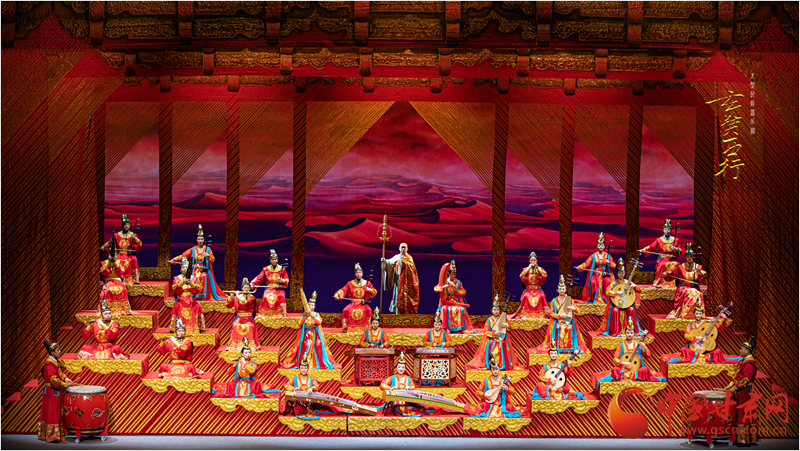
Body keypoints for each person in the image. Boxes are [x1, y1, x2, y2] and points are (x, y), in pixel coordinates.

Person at [590, 319, 666, 392]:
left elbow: (647, 356)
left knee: (645, 370)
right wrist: (624, 363)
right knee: (615, 370)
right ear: (625, 333)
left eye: (631, 332)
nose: (629, 334)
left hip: (636, 369)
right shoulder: (621, 345)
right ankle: (633, 377)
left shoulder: (638, 344)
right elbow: (615, 359)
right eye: (628, 332)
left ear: (634, 333)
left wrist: (645, 348)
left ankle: (628, 377)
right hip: (624, 369)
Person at [661, 301, 740, 365]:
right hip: (694, 346)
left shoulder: (705, 324)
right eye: (697, 313)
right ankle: (703, 358)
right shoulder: (691, 325)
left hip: (705, 346)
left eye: (700, 314)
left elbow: (719, 327)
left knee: (717, 351)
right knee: (685, 350)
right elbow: (686, 336)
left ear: (702, 314)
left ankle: (701, 357)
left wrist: (725, 319)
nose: (698, 315)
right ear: (694, 314)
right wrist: (696, 338)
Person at [169, 224, 225, 301]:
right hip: (194, 268)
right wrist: (174, 260)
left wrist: (208, 256)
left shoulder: (208, 249)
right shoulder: (193, 249)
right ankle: (193, 295)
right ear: (196, 240)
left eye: (201, 239)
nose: (200, 241)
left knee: (204, 276)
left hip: (203, 269)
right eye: (199, 239)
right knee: (193, 276)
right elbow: (183, 255)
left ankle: (203, 296)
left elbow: (213, 259)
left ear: (204, 240)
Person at [282, 292, 336, 369]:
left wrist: (312, 316)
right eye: (309, 305)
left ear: (314, 307)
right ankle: (306, 363)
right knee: (306, 344)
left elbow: (319, 322)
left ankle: (318, 363)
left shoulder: (316, 314)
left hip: (315, 336)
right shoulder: (303, 315)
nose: (310, 306)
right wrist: (304, 317)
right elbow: (299, 324)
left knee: (318, 344)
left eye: (312, 305)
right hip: (306, 335)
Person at [720, 337, 758, 445]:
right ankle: (738, 438)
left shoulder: (749, 364)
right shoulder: (744, 361)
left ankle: (744, 439)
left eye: (741, 349)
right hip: (740, 390)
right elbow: (737, 376)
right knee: (739, 413)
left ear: (747, 351)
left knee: (743, 413)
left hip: (744, 392)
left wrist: (734, 388)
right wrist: (729, 385)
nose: (740, 350)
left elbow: (745, 380)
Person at [467, 295, 521, 370]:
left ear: (500, 311)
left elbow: (513, 327)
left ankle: (502, 365)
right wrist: (494, 334)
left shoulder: (502, 318)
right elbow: (486, 332)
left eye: (498, 309)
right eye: (494, 309)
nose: (496, 311)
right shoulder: (489, 320)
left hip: (501, 337)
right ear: (492, 311)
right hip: (492, 338)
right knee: (491, 343)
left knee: (502, 343)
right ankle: (491, 364)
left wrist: (507, 325)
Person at [537, 276, 588, 355]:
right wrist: (560, 316)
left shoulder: (569, 299)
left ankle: (570, 348)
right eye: (560, 289)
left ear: (566, 290)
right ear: (557, 290)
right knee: (559, 327)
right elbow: (551, 313)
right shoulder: (554, 301)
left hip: (567, 320)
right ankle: (557, 348)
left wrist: (573, 308)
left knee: (569, 327)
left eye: (563, 289)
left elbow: (578, 310)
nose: (562, 290)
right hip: (557, 320)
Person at [38, 339, 73, 443]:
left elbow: (60, 374)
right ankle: (52, 436)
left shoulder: (55, 362)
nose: (60, 351)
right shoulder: (49, 364)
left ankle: (57, 434)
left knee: (57, 411)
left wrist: (66, 379)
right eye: (58, 350)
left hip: (56, 390)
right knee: (53, 412)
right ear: (52, 352)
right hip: (52, 391)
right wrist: (64, 384)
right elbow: (53, 380)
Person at [598, 258, 644, 337]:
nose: (621, 274)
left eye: (622, 273)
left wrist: (634, 286)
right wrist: (616, 293)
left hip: (627, 303)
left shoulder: (627, 282)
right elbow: (607, 292)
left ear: (624, 273)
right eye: (619, 273)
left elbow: (639, 290)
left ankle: (632, 331)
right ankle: (616, 332)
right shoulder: (614, 283)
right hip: (617, 304)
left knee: (631, 309)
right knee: (615, 310)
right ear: (617, 273)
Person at [380, 351, 429, 417]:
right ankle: (403, 413)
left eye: (403, 367)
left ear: (405, 369)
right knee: (400, 405)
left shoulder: (408, 378)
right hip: (396, 398)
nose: (401, 369)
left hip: (406, 397)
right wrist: (390, 388)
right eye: (399, 367)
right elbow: (382, 384)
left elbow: (413, 386)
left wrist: (409, 388)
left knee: (415, 405)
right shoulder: (392, 378)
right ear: (396, 368)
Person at [667, 243, 707, 319]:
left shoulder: (698, 267)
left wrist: (699, 272)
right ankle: (680, 313)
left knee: (696, 293)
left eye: (691, 257)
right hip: (683, 286)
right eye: (688, 257)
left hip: (693, 286)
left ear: (693, 257)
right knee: (685, 292)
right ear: (685, 257)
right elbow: (672, 274)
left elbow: (703, 276)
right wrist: (666, 274)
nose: (689, 258)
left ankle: (697, 313)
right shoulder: (680, 267)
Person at [433, 260, 475, 333]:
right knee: (445, 309)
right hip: (447, 301)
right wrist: (444, 286)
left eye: (454, 274)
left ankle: (460, 329)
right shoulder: (445, 281)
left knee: (461, 309)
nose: (453, 276)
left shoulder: (458, 282)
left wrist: (456, 290)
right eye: (452, 274)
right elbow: (435, 289)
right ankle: (445, 328)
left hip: (455, 301)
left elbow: (464, 292)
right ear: (449, 273)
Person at [335, 263, 377, 333]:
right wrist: (337, 294)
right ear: (354, 274)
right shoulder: (350, 283)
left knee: (368, 310)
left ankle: (368, 328)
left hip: (363, 303)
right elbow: (343, 290)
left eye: (360, 272)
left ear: (362, 273)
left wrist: (369, 290)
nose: (358, 274)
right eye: (357, 273)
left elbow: (374, 291)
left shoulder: (367, 283)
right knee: (345, 310)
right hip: (353, 303)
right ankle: (346, 328)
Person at [640, 218, 682, 288]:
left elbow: (679, 251)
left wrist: (676, 249)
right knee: (662, 265)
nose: (667, 231)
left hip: (671, 259)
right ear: (663, 230)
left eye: (668, 229)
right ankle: (660, 283)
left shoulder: (675, 240)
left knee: (676, 264)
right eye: (665, 229)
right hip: (662, 258)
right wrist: (644, 250)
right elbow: (651, 246)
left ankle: (672, 284)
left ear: (670, 230)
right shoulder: (659, 240)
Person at [576, 232, 616, 304]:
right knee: (593, 282)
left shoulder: (608, 256)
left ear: (604, 246)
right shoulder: (594, 256)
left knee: (608, 281)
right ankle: (594, 298)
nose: (600, 246)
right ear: (597, 246)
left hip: (604, 274)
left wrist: (609, 262)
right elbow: (586, 263)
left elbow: (614, 265)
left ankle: (606, 299)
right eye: (599, 245)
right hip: (595, 274)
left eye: (602, 245)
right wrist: (580, 267)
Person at [101, 214, 142, 284]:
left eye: (128, 224)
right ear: (122, 226)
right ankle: (117, 278)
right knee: (115, 260)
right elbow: (110, 242)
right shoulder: (117, 235)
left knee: (134, 259)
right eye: (125, 225)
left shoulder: (132, 235)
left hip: (128, 255)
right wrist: (103, 247)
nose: (126, 226)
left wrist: (135, 239)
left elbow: (139, 244)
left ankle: (134, 280)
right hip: (119, 254)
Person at [382, 242, 420, 315]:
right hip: (398, 281)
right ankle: (398, 314)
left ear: (407, 249)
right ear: (399, 248)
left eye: (404, 247)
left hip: (406, 283)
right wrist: (384, 261)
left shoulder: (409, 258)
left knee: (406, 298)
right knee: (397, 296)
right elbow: (389, 263)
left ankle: (406, 315)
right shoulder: (396, 257)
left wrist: (404, 263)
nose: (403, 249)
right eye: (401, 247)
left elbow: (412, 269)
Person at [170, 261, 205, 336]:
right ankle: (175, 328)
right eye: (183, 267)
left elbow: (199, 288)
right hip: (181, 298)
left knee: (198, 306)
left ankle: (199, 327)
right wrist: (182, 283)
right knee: (175, 307)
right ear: (180, 269)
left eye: (186, 267)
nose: (185, 269)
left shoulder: (193, 278)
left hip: (190, 298)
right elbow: (174, 288)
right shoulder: (177, 278)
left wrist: (192, 284)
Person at [510, 251, 548, 319]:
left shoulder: (540, 269)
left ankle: (542, 314)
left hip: (537, 290)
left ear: (537, 261)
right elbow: (521, 276)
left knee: (542, 296)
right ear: (529, 261)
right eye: (531, 260)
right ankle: (524, 314)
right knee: (525, 296)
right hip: (529, 290)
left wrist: (538, 268)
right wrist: (528, 268)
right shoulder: (526, 270)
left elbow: (544, 276)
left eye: (534, 260)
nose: (533, 262)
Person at [225, 278, 259, 352]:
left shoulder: (252, 298)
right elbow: (228, 305)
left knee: (249, 326)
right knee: (236, 325)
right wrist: (231, 296)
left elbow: (244, 304)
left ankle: (250, 346)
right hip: (239, 318)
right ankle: (236, 345)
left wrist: (238, 295)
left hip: (248, 318)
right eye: (245, 288)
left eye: (248, 288)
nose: (246, 289)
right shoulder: (236, 297)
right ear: (242, 288)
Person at [252, 249, 288, 317]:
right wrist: (252, 284)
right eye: (272, 259)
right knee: (265, 296)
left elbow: (286, 279)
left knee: (281, 296)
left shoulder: (282, 269)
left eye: (275, 259)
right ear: (270, 260)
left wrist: (282, 280)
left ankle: (282, 315)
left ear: (277, 260)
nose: (274, 261)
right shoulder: (266, 269)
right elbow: (259, 278)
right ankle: (265, 314)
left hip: (278, 288)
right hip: (269, 288)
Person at [99, 241, 131, 317]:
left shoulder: (121, 262)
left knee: (123, 290)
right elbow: (104, 272)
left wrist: (116, 263)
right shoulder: (104, 262)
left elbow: (121, 271)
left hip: (118, 281)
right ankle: (106, 310)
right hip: (109, 281)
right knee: (108, 290)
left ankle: (123, 310)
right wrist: (109, 263)